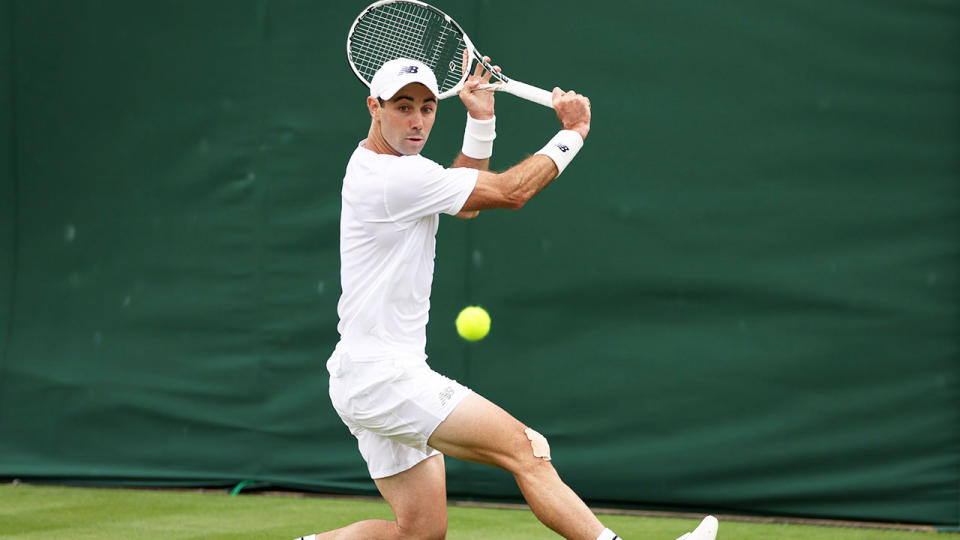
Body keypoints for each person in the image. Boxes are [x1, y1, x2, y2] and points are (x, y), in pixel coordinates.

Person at [295, 55, 719, 540]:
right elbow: (510, 192)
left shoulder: (391, 167)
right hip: (381, 376)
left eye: (429, 108)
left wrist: (481, 118)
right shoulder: (395, 178)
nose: (417, 121)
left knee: (420, 534)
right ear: (374, 106)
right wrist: (574, 132)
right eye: (403, 107)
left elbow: (466, 206)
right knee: (525, 448)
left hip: (367, 374)